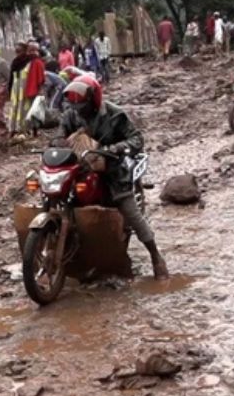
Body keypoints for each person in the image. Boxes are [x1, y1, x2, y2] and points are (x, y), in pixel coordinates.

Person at [59, 75, 167, 278]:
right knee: (60, 196)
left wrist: (112, 149)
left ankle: (155, 256)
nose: (77, 105)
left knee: (130, 211)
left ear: (93, 97)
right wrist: (58, 144)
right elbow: (58, 137)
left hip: (112, 168)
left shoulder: (115, 115)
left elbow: (137, 139)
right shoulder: (70, 116)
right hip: (79, 168)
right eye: (73, 100)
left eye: (80, 99)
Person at [6, 41, 44, 135]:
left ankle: (27, 129)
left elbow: (38, 76)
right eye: (17, 51)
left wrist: (39, 89)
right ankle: (14, 128)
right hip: (16, 89)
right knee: (15, 108)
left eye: (20, 50)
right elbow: (11, 77)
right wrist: (9, 89)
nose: (18, 53)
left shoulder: (32, 61)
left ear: (25, 50)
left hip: (26, 88)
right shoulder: (15, 62)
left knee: (28, 109)